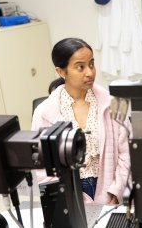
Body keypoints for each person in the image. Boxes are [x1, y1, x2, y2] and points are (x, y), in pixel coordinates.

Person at [32, 38, 130, 204]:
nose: (90, 72)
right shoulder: (44, 112)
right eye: (80, 67)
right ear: (61, 72)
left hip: (109, 189)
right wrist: (67, 199)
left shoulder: (116, 103)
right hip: (69, 194)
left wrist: (115, 193)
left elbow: (127, 153)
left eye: (91, 64)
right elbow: (42, 167)